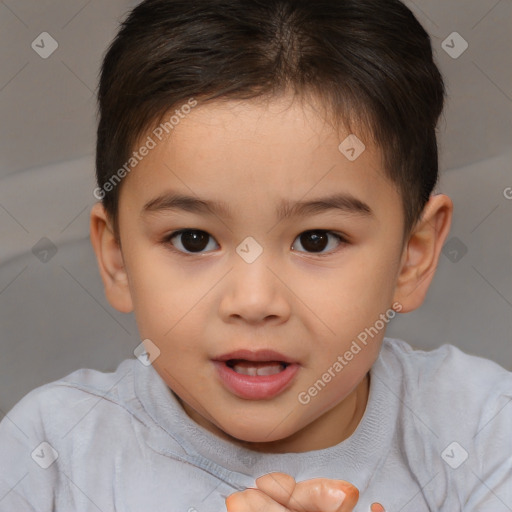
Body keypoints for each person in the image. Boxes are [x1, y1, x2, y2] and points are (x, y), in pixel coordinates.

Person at [1, 0, 511, 510]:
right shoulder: (51, 454)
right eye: (193, 240)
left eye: (316, 240)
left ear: (411, 258)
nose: (253, 300)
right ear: (117, 258)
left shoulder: (484, 432)